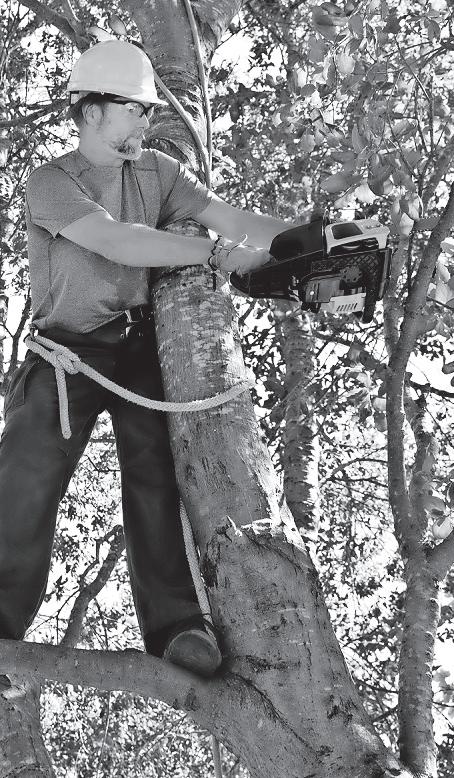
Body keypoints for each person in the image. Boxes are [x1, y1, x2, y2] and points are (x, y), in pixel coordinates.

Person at [0, 39, 290, 683]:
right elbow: (117, 241)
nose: (146, 120)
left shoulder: (158, 171)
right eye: (135, 108)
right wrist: (215, 255)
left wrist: (306, 237)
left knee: (157, 474)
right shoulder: (52, 182)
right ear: (92, 110)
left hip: (136, 349)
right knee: (25, 471)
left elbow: (232, 219)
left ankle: (177, 627)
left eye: (149, 110)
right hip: (67, 353)